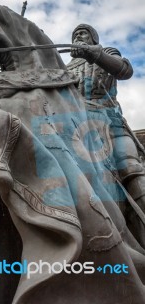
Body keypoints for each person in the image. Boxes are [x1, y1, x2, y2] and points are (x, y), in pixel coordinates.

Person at [67, 24, 145, 245]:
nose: (78, 36)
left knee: (130, 168)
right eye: (75, 35)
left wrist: (96, 54)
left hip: (110, 124)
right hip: (75, 128)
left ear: (93, 39)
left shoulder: (107, 52)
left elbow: (125, 70)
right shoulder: (63, 68)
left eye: (83, 33)